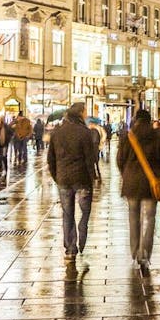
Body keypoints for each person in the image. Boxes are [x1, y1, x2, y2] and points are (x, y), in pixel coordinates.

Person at [118, 109, 160, 272]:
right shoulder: (158, 136)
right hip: (150, 182)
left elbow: (120, 160)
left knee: (133, 217)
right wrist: (158, 176)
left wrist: (126, 174)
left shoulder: (128, 136)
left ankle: (135, 251)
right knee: (150, 218)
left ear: (135, 119)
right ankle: (145, 253)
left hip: (132, 183)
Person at [48, 103, 101, 260]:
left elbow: (50, 158)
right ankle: (82, 227)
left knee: (67, 213)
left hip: (63, 179)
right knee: (85, 211)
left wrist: (56, 177)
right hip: (82, 179)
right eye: (85, 111)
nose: (86, 114)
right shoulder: (84, 132)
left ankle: (70, 248)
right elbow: (89, 158)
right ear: (80, 113)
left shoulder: (57, 132)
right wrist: (92, 178)